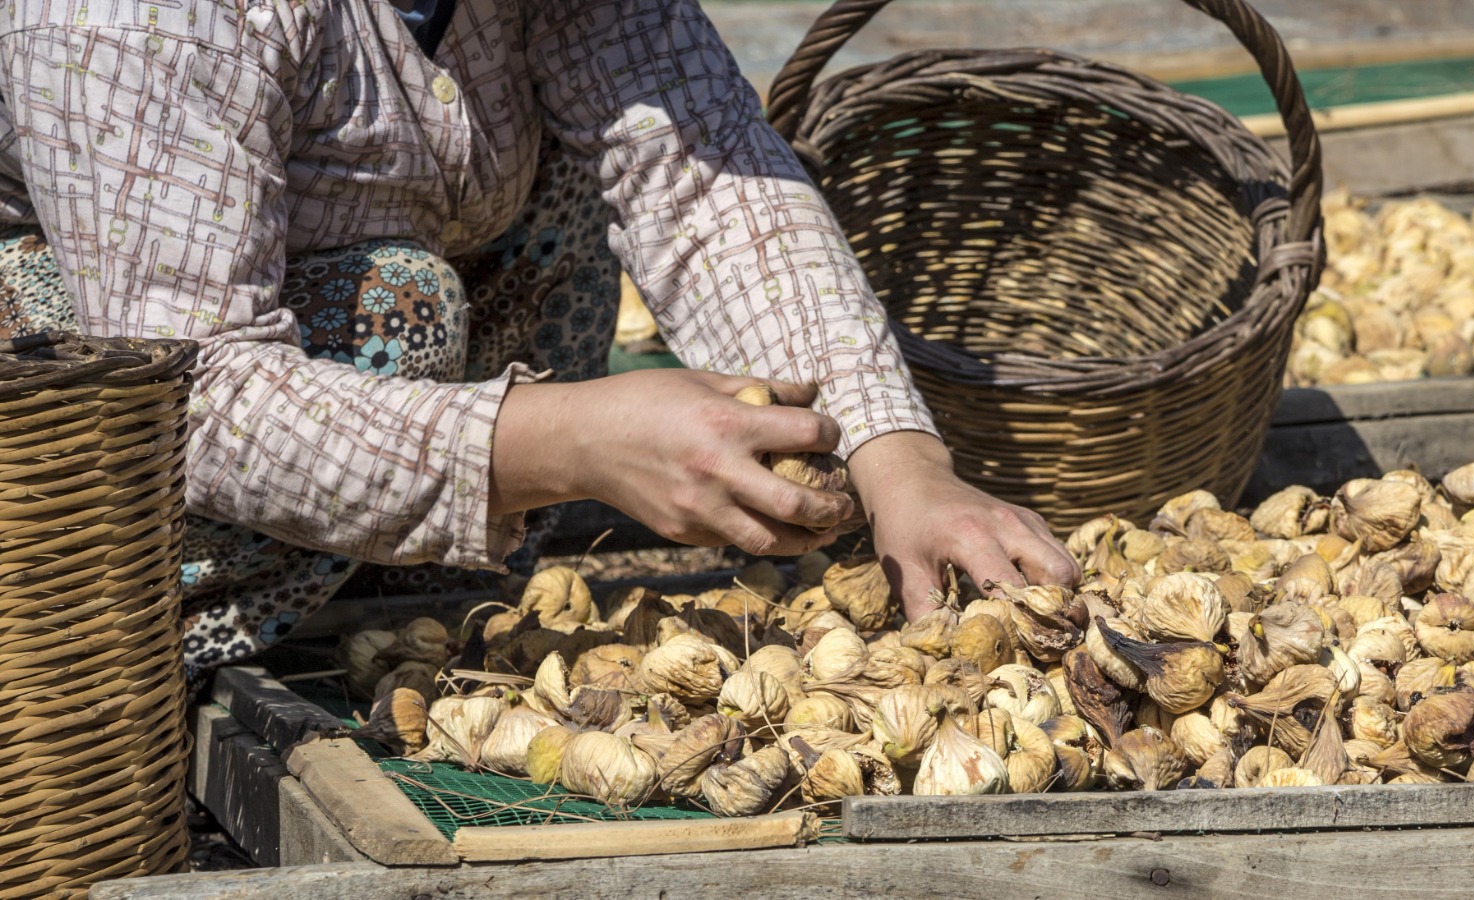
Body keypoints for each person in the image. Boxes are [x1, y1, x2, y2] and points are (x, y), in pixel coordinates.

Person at [0, 0, 1078, 675]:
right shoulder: (130, 15)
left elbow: (699, 179)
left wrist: (902, 463)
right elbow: (193, 388)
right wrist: (567, 442)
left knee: (573, 162)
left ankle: (390, 595)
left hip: (346, 322)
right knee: (398, 307)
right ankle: (165, 659)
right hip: (82, 412)